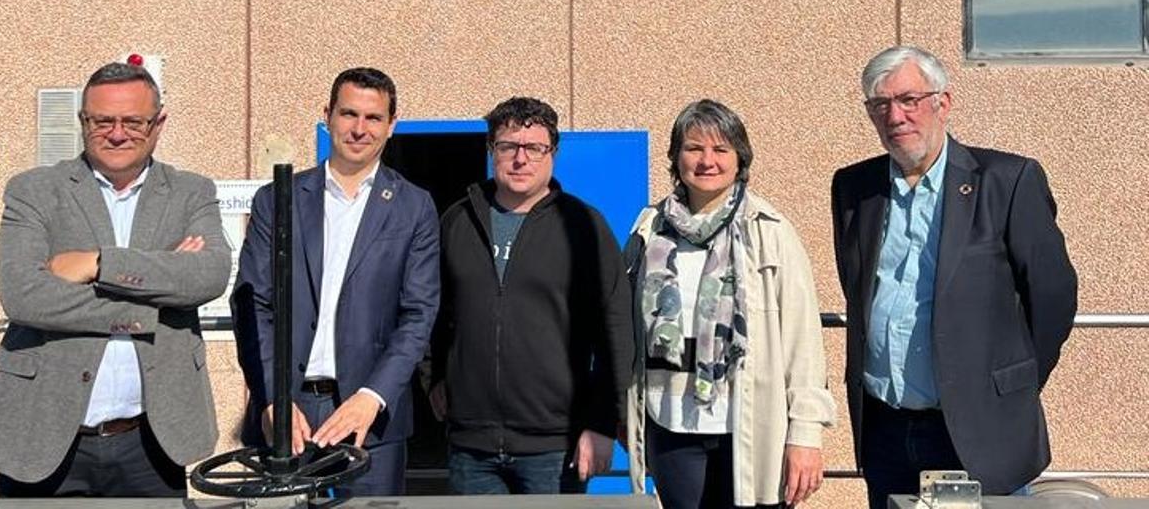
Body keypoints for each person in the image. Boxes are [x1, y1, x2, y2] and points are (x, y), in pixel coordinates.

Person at [0, 62, 231, 497]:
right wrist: (156, 295)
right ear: (82, 121)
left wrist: (97, 264)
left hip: (151, 441)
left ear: (159, 123)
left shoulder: (191, 193)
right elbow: (25, 296)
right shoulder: (34, 191)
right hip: (41, 434)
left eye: (133, 122)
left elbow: (208, 276)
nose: (116, 133)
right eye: (102, 121)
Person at [832, 45, 1078, 509]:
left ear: (942, 103)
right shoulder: (854, 188)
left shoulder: (1007, 180)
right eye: (880, 104)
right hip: (886, 429)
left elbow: (1053, 297)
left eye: (909, 99)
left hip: (978, 428)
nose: (896, 116)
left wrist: (1007, 382)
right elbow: (857, 288)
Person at [232, 67, 439, 497]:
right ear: (327, 116)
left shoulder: (414, 208)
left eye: (373, 118)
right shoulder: (278, 199)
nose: (359, 129)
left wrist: (373, 395)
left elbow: (418, 314)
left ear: (391, 125)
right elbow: (253, 305)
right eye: (348, 114)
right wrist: (272, 397)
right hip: (287, 412)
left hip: (370, 418)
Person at [625, 99, 834, 509]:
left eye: (721, 150)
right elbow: (626, 329)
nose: (707, 161)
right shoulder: (649, 228)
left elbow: (803, 342)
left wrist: (805, 435)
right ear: (675, 157)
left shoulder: (770, 231)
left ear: (740, 159)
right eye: (694, 148)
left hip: (750, 424)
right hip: (670, 421)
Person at [429, 96, 632, 494]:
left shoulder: (583, 227)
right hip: (471, 446)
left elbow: (615, 330)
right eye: (509, 147)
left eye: (534, 148)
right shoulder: (457, 221)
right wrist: (434, 374)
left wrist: (603, 421)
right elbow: (433, 310)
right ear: (492, 150)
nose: (521, 159)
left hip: (555, 446)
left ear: (552, 153)